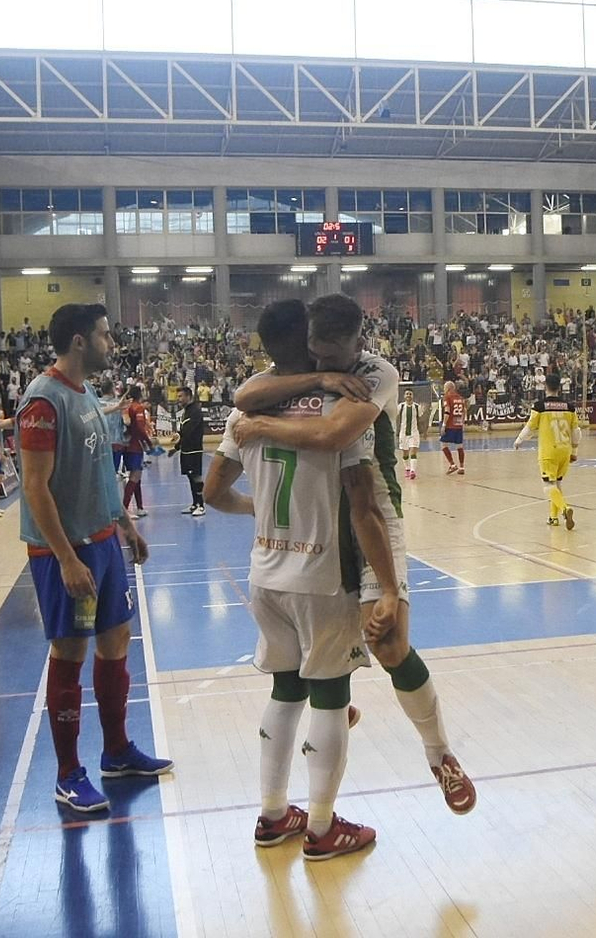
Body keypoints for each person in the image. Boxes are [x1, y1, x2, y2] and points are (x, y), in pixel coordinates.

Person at [231, 295, 476, 819]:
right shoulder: (312, 376)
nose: (327, 366)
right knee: (316, 670)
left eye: (334, 357)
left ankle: (440, 754)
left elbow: (332, 435)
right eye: (317, 355)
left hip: (372, 520)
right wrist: (314, 380)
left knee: (390, 645)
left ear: (358, 342)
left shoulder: (376, 373)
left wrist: (263, 427)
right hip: (321, 531)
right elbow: (244, 393)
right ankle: (331, 719)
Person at [205, 299, 404, 860]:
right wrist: (387, 585)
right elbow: (362, 502)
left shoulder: (244, 411)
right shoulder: (341, 404)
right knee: (331, 695)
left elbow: (213, 493)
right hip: (321, 571)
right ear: (309, 343)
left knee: (283, 689)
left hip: (266, 570)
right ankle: (321, 828)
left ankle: (272, 815)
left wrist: (260, 513)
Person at [17, 303, 167, 814]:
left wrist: (124, 527)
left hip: (103, 542)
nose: (111, 343)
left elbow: (101, 474)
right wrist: (64, 558)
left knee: (116, 639)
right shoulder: (42, 401)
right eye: (104, 335)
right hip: (67, 550)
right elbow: (35, 488)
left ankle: (118, 751)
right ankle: (67, 773)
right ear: (79, 341)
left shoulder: (87, 396)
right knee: (70, 654)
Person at [513, 372, 581, 528]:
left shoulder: (540, 406)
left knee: (548, 486)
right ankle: (553, 518)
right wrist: (575, 451)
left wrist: (519, 440)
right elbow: (576, 431)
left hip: (549, 451)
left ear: (545, 387)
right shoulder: (569, 407)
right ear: (559, 387)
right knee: (557, 484)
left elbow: (530, 427)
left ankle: (565, 508)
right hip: (565, 450)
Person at [120, 385, 153, 518]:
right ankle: (125, 508)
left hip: (126, 444)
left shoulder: (125, 407)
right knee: (135, 476)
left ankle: (140, 507)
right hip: (135, 445)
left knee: (136, 475)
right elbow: (139, 428)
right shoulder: (138, 407)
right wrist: (149, 442)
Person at [170, 397, 205, 517]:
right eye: (178, 396)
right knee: (190, 477)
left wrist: (176, 446)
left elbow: (189, 432)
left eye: (180, 396)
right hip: (186, 450)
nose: (178, 399)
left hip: (194, 450)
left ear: (188, 397)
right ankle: (195, 503)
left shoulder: (195, 411)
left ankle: (201, 505)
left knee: (197, 477)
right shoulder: (186, 411)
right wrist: (177, 437)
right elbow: (183, 430)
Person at [395, 389, 425, 480]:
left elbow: (421, 420)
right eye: (407, 394)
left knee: (413, 452)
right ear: (404, 396)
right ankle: (407, 468)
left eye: (410, 394)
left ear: (413, 396)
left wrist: (424, 431)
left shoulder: (417, 407)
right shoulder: (400, 406)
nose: (408, 395)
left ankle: (412, 471)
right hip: (403, 433)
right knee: (405, 453)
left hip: (414, 433)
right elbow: (396, 418)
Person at [439, 379, 466, 474]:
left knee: (443, 444)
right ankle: (462, 467)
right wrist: (462, 423)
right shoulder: (461, 398)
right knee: (460, 446)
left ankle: (452, 465)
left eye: (445, 388)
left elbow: (447, 411)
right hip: (458, 425)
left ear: (449, 388)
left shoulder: (447, 397)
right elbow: (464, 412)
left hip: (450, 425)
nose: (444, 389)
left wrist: (444, 425)